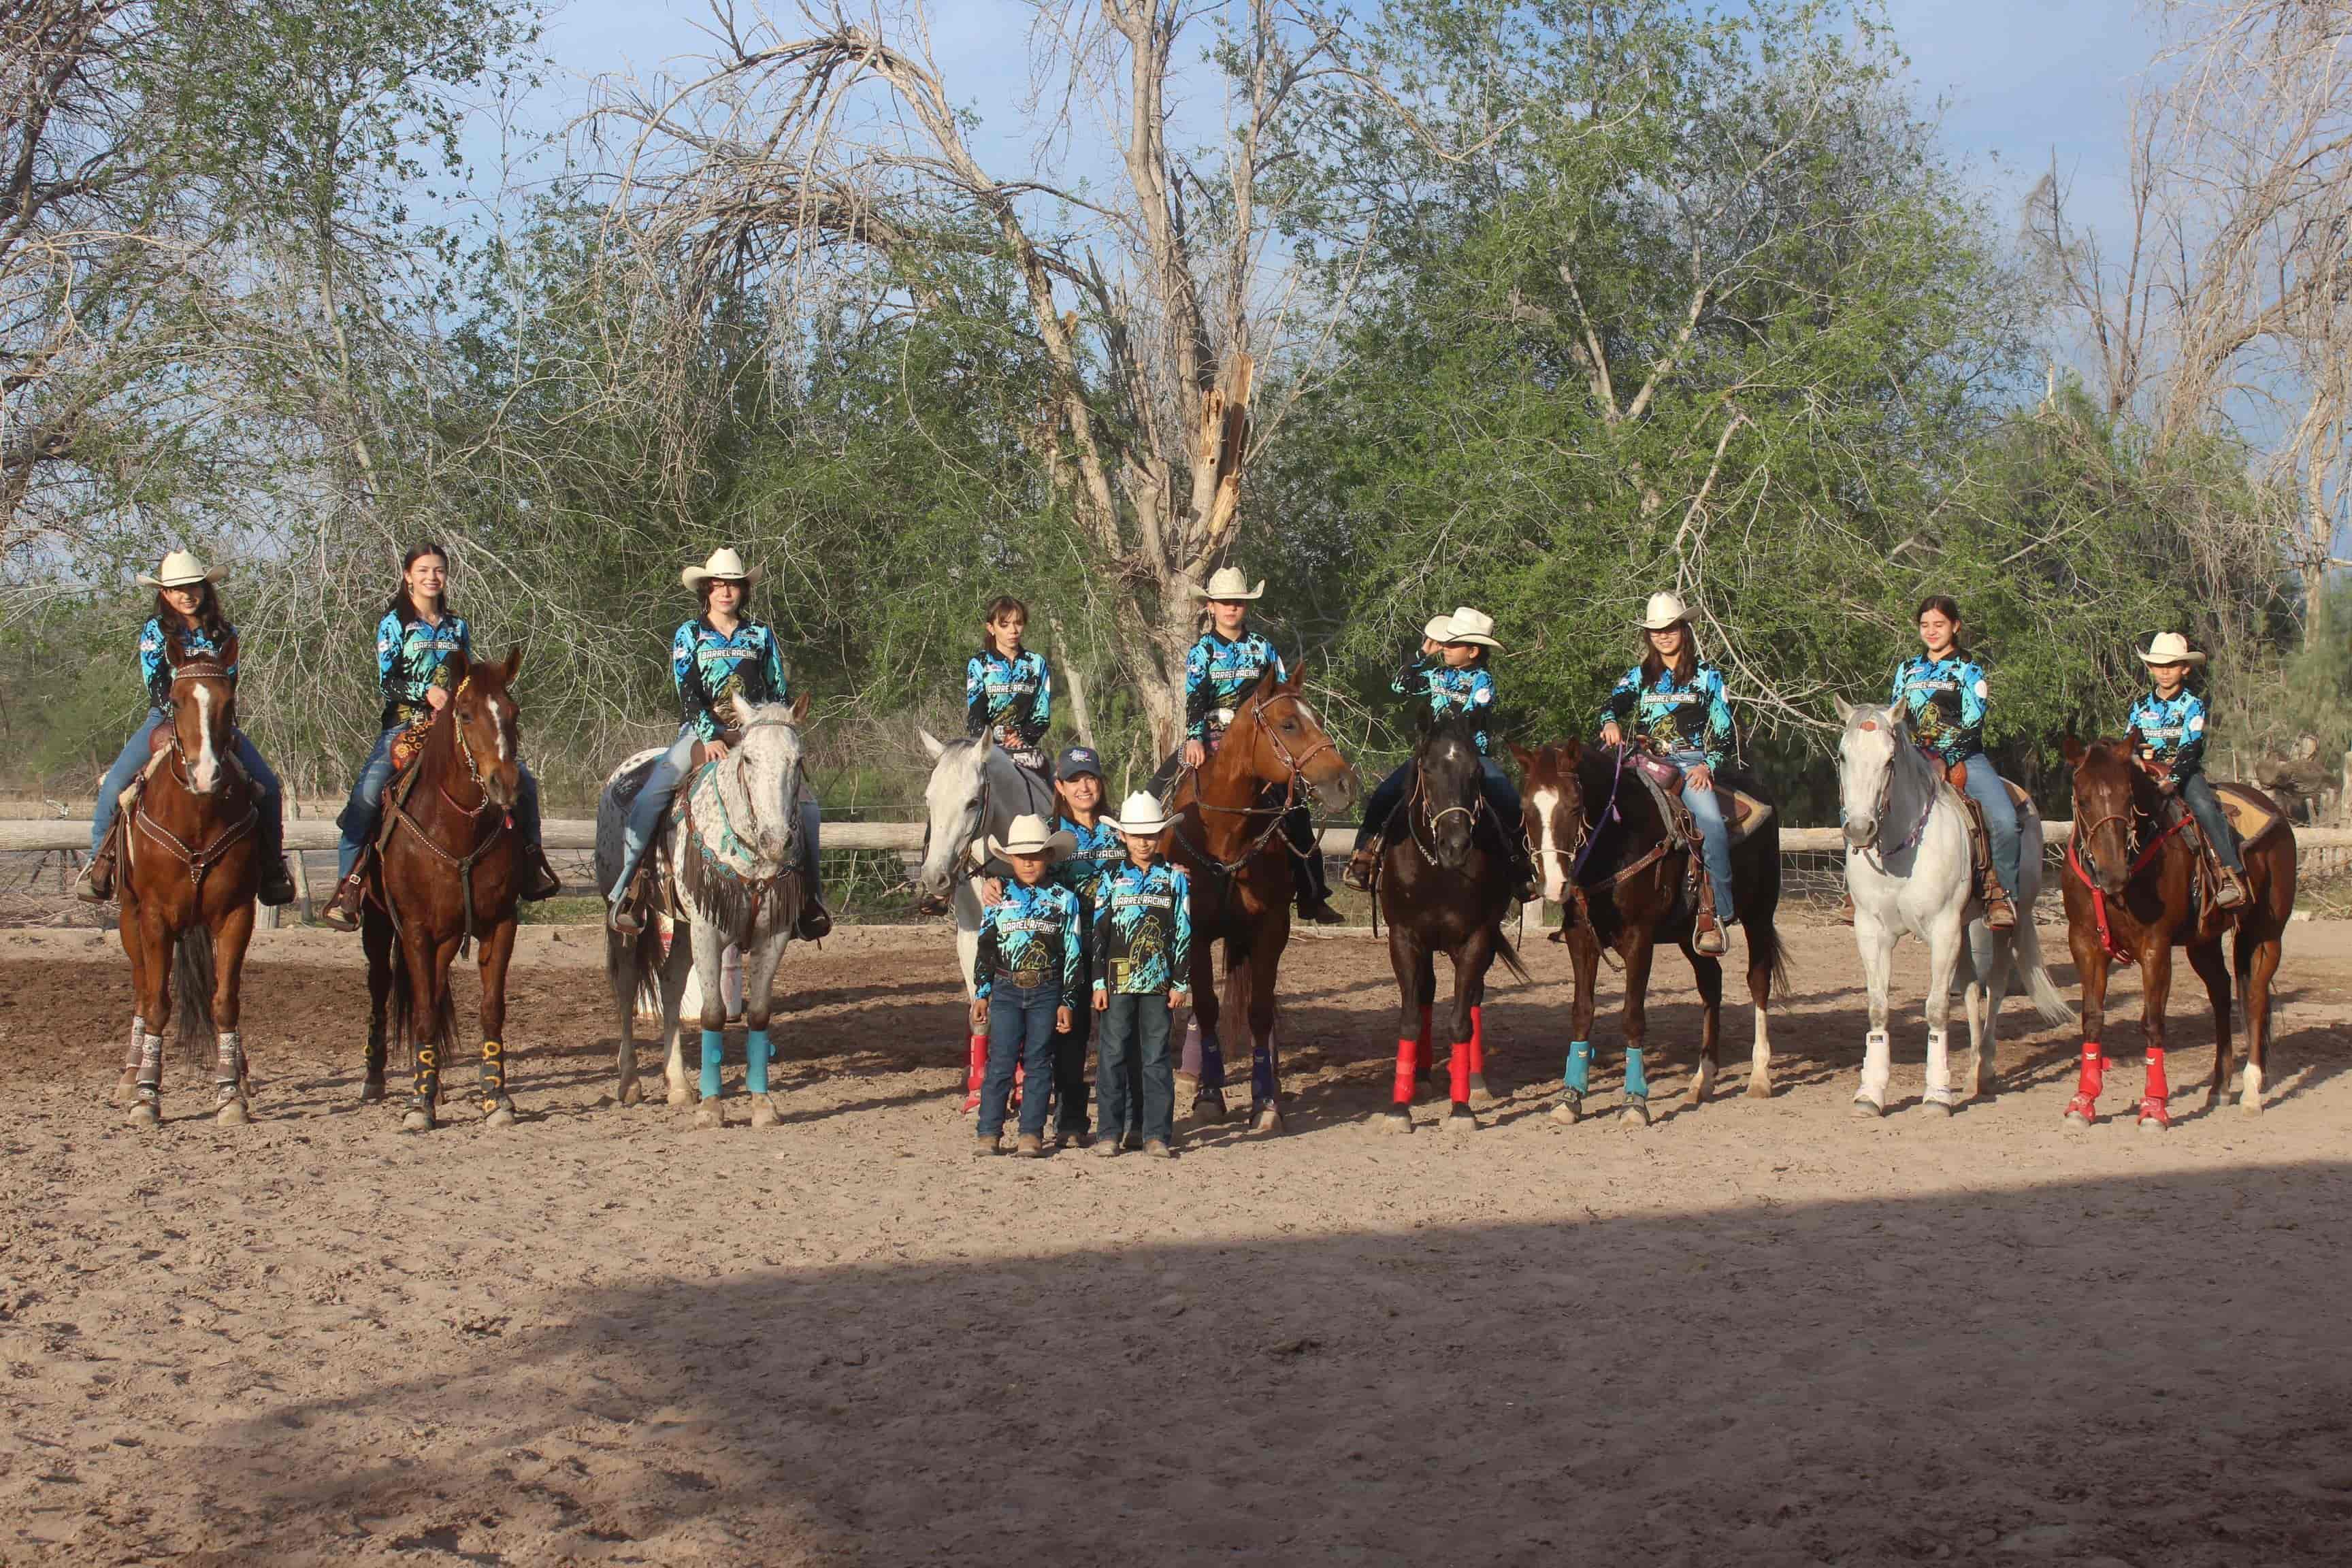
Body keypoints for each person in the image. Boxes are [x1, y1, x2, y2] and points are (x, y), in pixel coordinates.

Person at [320, 544, 559, 929]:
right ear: (407, 576)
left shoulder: (456, 625)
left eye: (439, 570)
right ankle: (348, 886)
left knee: (524, 783)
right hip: (405, 725)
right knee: (367, 795)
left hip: (453, 728)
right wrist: (424, 692)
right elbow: (387, 681)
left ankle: (532, 863)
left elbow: (463, 676)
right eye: (423, 570)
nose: (432, 577)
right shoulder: (393, 623)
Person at [605, 547, 828, 941]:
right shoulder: (689, 634)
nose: (726, 593)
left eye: (734, 586)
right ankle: (629, 889)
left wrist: (775, 728)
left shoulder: (760, 634)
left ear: (744, 591)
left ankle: (810, 900)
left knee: (806, 807)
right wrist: (710, 737)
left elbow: (777, 688)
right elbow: (687, 689)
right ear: (707, 589)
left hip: (756, 732)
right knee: (651, 796)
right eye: (719, 585)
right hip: (700, 730)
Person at [76, 551, 297, 908]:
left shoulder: (225, 633)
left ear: (205, 588)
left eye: (193, 586)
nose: (187, 595)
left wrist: (213, 717)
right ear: (164, 594)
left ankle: (272, 866)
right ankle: (99, 863)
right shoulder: (155, 630)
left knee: (268, 786)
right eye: (177, 589)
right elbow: (155, 681)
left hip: (216, 722)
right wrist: (178, 714)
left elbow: (230, 683)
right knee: (117, 783)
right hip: (165, 718)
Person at [1153, 564, 1341, 924]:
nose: (1231, 608)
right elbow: (1195, 696)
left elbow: (1286, 693)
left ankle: (1312, 894)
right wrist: (1193, 737)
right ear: (1210, 607)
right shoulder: (1202, 651)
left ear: (1246, 606)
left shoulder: (1263, 648)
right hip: (1208, 740)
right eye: (1224, 602)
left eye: (1237, 602)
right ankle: (1145, 883)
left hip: (1259, 746)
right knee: (1153, 794)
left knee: (1296, 810)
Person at [1343, 606, 1533, 896]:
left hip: (1470, 756)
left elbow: (1472, 714)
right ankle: (1363, 857)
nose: (1445, 647)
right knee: (1384, 795)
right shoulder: (1437, 675)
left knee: (1508, 799)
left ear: (1473, 651)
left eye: (1453, 643)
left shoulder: (1483, 681)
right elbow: (1399, 685)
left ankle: (1521, 868)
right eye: (1445, 641)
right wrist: (1422, 655)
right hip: (1430, 757)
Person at [1596, 591, 1739, 956]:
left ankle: (1716, 914)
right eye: (1656, 630)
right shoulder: (1639, 676)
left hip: (1691, 764)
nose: (1663, 635)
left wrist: (1710, 765)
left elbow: (1725, 731)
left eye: (1670, 628)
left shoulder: (1708, 676)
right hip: (1642, 762)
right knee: (1594, 813)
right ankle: (1588, 910)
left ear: (1684, 630)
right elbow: (1611, 703)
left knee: (1711, 826)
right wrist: (1610, 721)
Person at [1891, 594, 2017, 930]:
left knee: (2005, 821)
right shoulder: (1906, 670)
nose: (1932, 631)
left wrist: (1945, 757)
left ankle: (2000, 893)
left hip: (1963, 757)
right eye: (1925, 625)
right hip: (1911, 759)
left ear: (1955, 627)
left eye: (1939, 625)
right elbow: (1896, 718)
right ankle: (1855, 891)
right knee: (1862, 801)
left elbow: (1974, 721)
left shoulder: (1969, 669)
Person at [970, 813, 1083, 1158]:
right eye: (1021, 856)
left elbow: (1073, 951)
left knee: (1038, 1062)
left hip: (1047, 989)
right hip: (1005, 989)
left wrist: (1068, 1000)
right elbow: (986, 948)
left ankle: (1030, 1133)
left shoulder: (1066, 900)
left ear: (1048, 856)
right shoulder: (997, 899)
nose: (1029, 863)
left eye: (1035, 855)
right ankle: (989, 1131)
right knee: (1001, 1061)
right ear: (1011, 859)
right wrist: (983, 992)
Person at [1091, 791, 1191, 1158]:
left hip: (1159, 984)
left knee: (1157, 1058)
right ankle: (1109, 1132)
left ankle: (1157, 1135)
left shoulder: (1174, 880)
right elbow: (1099, 933)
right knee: (1113, 1055)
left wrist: (1181, 981)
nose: (1144, 842)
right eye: (1136, 835)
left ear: (1161, 835)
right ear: (1123, 837)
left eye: (1151, 834)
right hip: (1116, 984)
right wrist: (1099, 982)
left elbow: (1183, 931)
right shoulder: (1110, 879)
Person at [2127, 632, 2249, 909]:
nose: (2165, 672)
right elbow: (2129, 743)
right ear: (2150, 668)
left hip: (2183, 771)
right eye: (2159, 666)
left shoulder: (2193, 704)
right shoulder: (2140, 706)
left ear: (2185, 669)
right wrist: (2135, 761)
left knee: (2205, 807)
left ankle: (2229, 872)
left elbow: (2191, 748)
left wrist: (2174, 779)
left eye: (2171, 666)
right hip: (2146, 772)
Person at [965, 595, 1053, 774]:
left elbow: (1042, 715)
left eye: (1018, 623)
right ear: (991, 628)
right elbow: (975, 715)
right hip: (988, 749)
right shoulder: (979, 663)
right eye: (1005, 625)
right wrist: (996, 737)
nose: (1013, 630)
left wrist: (1022, 737)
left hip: (1025, 747)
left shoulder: (1037, 663)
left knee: (1052, 788)